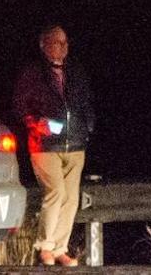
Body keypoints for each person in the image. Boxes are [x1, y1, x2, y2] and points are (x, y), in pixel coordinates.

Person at [12, 24, 96, 266]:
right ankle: (45, 246)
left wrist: (88, 126)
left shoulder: (76, 71)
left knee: (71, 198)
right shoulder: (33, 72)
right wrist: (36, 123)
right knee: (55, 191)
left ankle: (60, 248)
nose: (63, 47)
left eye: (65, 42)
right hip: (45, 145)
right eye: (57, 42)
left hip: (75, 143)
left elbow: (86, 102)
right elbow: (20, 105)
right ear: (44, 44)